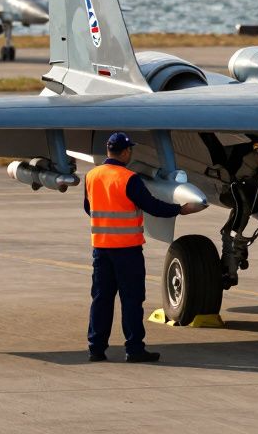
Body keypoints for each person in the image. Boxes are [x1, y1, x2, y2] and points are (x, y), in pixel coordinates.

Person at [84, 132, 195, 363]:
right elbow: (151, 205)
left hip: (101, 249)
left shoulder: (91, 175)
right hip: (127, 250)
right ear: (125, 152)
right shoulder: (129, 178)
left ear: (108, 150)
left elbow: (88, 207)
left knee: (101, 299)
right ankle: (134, 349)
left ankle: (96, 348)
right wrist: (179, 210)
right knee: (131, 300)